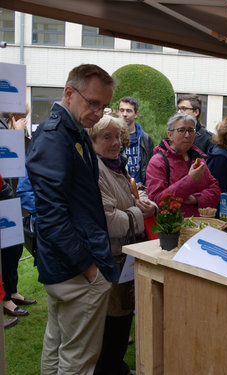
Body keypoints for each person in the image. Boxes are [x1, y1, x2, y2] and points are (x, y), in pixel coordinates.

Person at [26, 64, 118, 374]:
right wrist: (89, 268)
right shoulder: (56, 136)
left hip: (69, 266)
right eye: (93, 102)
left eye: (104, 106)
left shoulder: (69, 131)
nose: (98, 111)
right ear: (69, 93)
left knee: (58, 347)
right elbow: (51, 216)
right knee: (77, 361)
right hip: (76, 269)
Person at [88, 114, 155, 375]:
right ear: (92, 141)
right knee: (112, 323)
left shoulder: (115, 165)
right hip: (111, 258)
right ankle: (110, 368)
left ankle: (116, 367)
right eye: (107, 137)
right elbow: (107, 221)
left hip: (124, 256)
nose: (116, 142)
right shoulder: (96, 171)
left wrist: (148, 204)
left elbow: (130, 200)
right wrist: (143, 215)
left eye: (118, 136)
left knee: (122, 318)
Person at [1, 110, 36, 326]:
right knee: (6, 248)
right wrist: (16, 134)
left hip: (10, 193)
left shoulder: (5, 124)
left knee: (13, 247)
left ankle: (12, 291)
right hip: (4, 194)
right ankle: (5, 299)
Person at [147, 112, 220, 217]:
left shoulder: (198, 160)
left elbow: (215, 191)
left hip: (198, 226)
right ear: (170, 135)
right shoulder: (158, 161)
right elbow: (157, 201)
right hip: (172, 229)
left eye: (191, 130)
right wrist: (190, 180)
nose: (187, 135)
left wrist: (196, 199)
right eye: (181, 130)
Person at [118, 96, 154, 188]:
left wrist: (146, 186)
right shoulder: (113, 138)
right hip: (122, 188)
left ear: (136, 114)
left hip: (142, 189)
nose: (124, 114)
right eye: (121, 110)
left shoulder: (146, 139)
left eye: (128, 111)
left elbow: (151, 167)